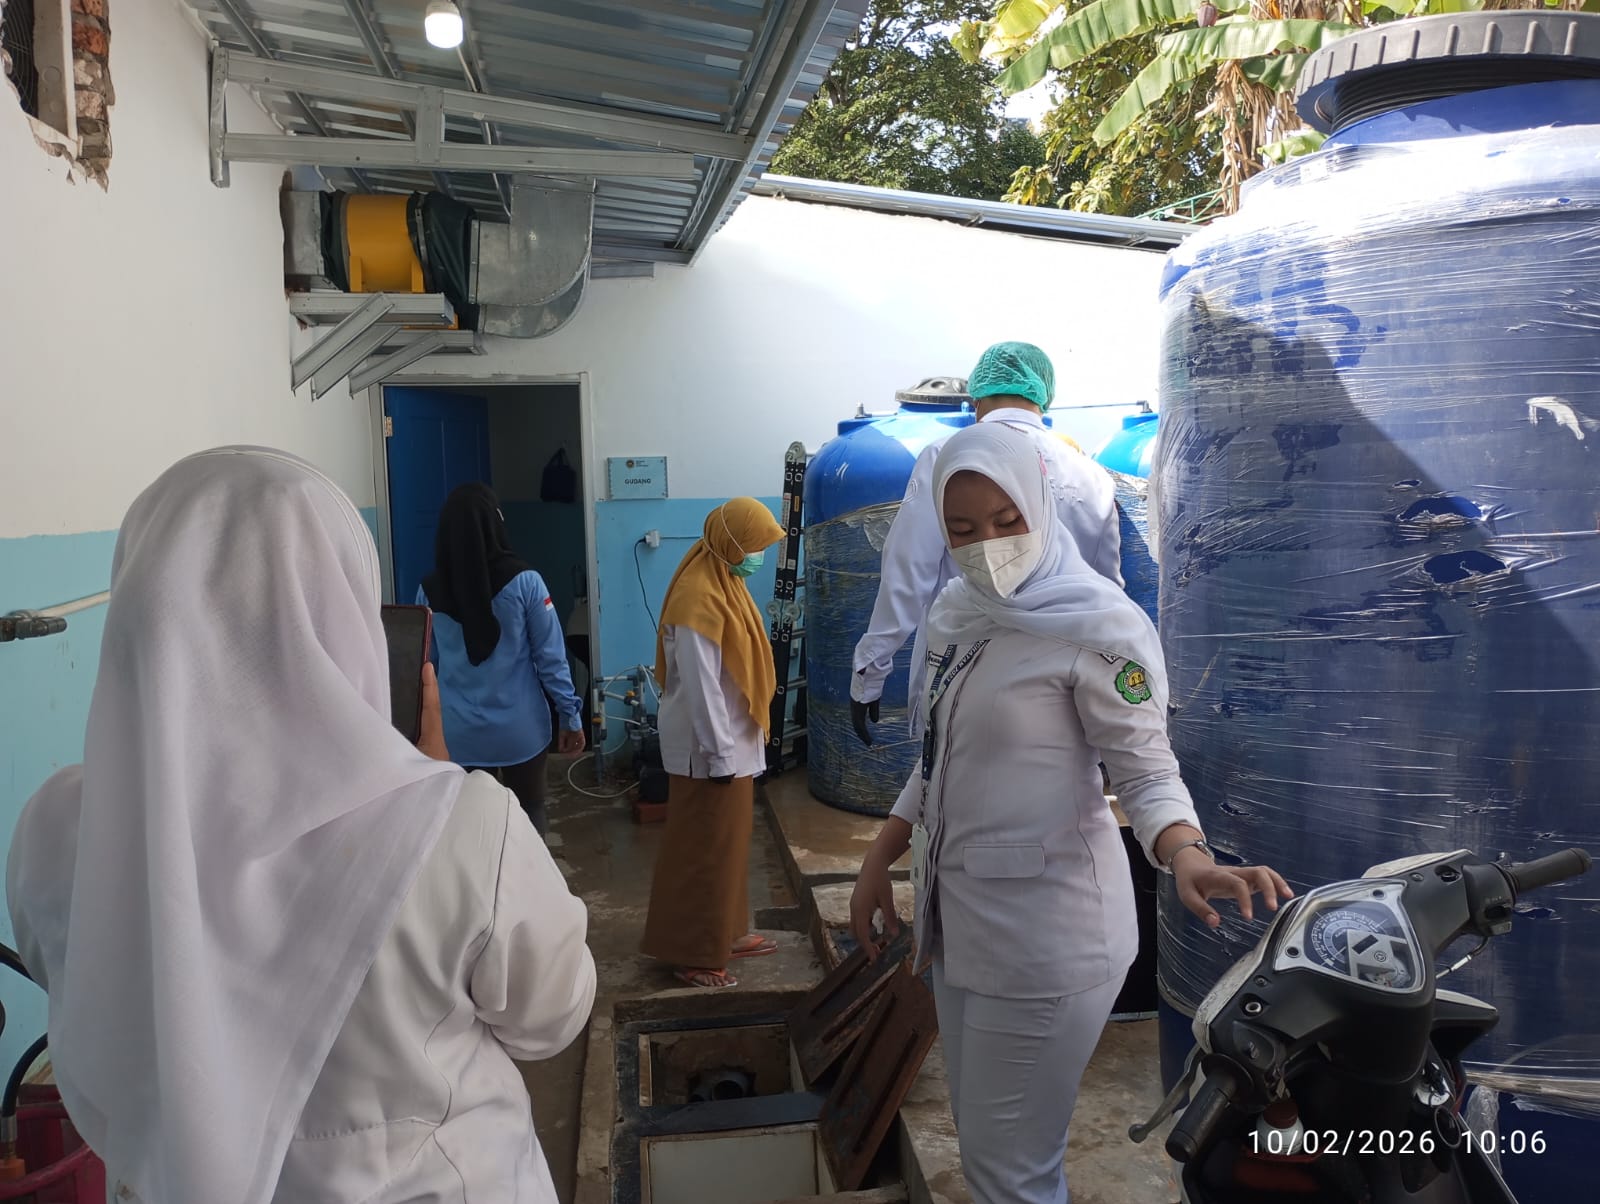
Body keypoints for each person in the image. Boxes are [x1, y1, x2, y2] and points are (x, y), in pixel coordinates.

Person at [6, 447, 596, 1204]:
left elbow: (82, 975)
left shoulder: (56, 830)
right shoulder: (461, 829)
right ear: (340, 611)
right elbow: (552, 1016)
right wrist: (432, 785)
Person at [847, 423, 1291, 1204]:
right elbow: (941, 757)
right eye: (962, 529)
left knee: (1010, 1173)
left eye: (1006, 519)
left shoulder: (1098, 628)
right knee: (988, 1150)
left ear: (1039, 506)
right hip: (959, 926)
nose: (987, 545)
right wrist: (881, 856)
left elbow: (1144, 766)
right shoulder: (958, 616)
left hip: (1046, 939)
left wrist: (1185, 852)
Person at [851, 341, 1123, 746]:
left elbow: (907, 573)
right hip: (1063, 685)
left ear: (976, 397)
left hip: (963, 674)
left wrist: (870, 672)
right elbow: (1108, 595)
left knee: (956, 779)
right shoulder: (1091, 475)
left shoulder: (949, 457)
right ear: (1044, 396)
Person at [641, 497, 786, 989]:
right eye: (754, 546)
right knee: (702, 853)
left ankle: (727, 932)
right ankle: (694, 953)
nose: (757, 556)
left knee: (728, 848)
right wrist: (721, 756)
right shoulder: (697, 598)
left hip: (733, 748)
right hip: (708, 753)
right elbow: (703, 689)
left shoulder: (727, 585)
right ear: (731, 542)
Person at [419, 482, 585, 836]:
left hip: (458, 735)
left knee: (466, 828)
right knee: (530, 812)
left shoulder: (428, 591)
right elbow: (551, 659)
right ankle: (530, 874)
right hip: (520, 732)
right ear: (496, 523)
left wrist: (420, 728)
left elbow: (426, 667)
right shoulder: (527, 583)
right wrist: (570, 715)